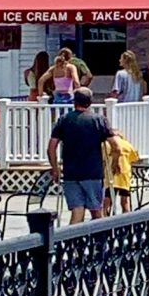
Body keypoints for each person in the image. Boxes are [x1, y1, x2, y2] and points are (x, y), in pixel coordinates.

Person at [48, 93, 113, 225]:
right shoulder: (99, 120)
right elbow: (116, 145)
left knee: (77, 210)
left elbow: (51, 148)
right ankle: (99, 242)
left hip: (71, 174)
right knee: (96, 211)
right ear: (90, 102)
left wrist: (55, 169)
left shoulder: (64, 120)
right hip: (93, 173)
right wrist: (114, 164)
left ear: (74, 102)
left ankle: (72, 243)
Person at [103, 122, 142, 213]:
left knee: (107, 201)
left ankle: (105, 218)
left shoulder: (105, 144)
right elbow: (135, 158)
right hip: (124, 175)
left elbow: (102, 159)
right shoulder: (127, 144)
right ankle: (126, 220)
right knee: (125, 201)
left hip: (110, 175)